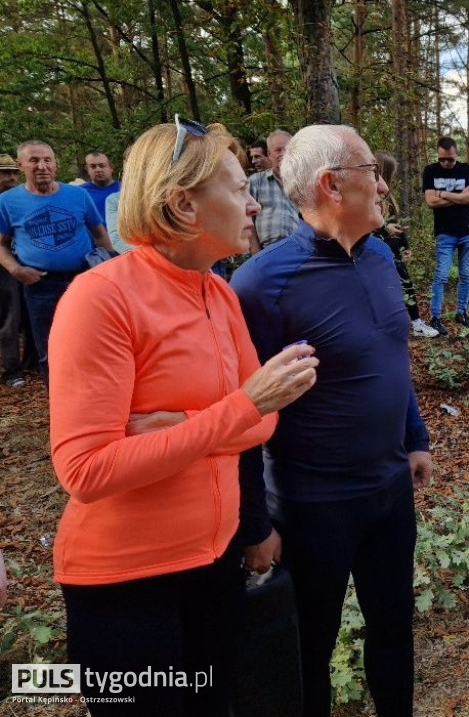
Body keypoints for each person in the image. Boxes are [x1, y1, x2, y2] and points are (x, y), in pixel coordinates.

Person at [47, 118, 318, 716]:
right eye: (238, 188)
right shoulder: (101, 298)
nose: (253, 203)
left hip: (212, 564)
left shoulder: (217, 291)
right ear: (183, 204)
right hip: (126, 586)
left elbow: (262, 425)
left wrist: (182, 428)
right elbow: (87, 472)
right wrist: (235, 409)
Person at [231, 124, 433, 717]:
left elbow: (390, 354)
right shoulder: (262, 285)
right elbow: (244, 411)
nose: (383, 184)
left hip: (390, 490)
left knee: (394, 631)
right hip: (312, 503)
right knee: (309, 648)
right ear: (331, 185)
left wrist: (414, 438)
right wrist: (251, 523)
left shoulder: (378, 257)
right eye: (371, 171)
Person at [0, 140, 113, 381]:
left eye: (47, 160)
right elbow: (1, 244)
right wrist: (16, 269)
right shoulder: (8, 202)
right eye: (34, 161)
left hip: (82, 279)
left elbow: (100, 235)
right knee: (49, 346)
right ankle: (60, 402)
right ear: (21, 165)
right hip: (40, 284)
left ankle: (94, 394)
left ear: (55, 165)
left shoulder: (78, 195)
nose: (42, 166)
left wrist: (111, 270)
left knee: (91, 339)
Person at [374, 151, 438, 338]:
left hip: (393, 248)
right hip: (382, 249)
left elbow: (396, 224)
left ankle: (415, 323)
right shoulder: (372, 196)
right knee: (392, 286)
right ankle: (396, 324)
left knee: (405, 283)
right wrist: (386, 229)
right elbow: (370, 228)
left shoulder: (387, 197)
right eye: (391, 172)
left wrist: (405, 247)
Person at [423, 136, 469, 335]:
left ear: (456, 155)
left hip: (468, 231)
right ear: (438, 156)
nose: (446, 163)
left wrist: (444, 194)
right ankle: (436, 317)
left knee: (466, 274)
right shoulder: (430, 171)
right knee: (441, 275)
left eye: (450, 160)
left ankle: (461, 312)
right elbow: (430, 201)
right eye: (442, 159)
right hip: (444, 233)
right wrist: (459, 197)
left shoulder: (466, 169)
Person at [248, 129, 300, 250]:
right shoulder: (256, 182)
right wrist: (257, 255)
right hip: (267, 250)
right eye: (278, 150)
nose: (283, 153)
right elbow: (247, 220)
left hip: (299, 251)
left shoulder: (303, 184)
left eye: (287, 149)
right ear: (269, 154)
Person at [0, 153, 26, 387]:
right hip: (5, 267)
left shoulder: (18, 200)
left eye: (12, 173)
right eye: (4, 173)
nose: (10, 178)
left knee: (24, 316)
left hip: (21, 265)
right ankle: (11, 370)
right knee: (8, 317)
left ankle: (29, 363)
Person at [81, 151, 121, 216]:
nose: (98, 170)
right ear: (87, 169)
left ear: (111, 168)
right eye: (93, 166)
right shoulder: (81, 192)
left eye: (102, 166)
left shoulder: (124, 189)